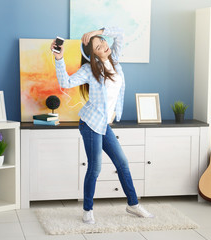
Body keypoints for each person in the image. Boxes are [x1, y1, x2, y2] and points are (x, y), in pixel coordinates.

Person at [51, 27, 153, 224]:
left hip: (104, 124)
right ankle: (87, 209)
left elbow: (121, 34)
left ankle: (133, 204)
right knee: (95, 168)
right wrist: (59, 58)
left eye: (103, 42)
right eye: (98, 46)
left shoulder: (114, 60)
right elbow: (65, 81)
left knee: (122, 163)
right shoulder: (90, 69)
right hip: (90, 124)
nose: (104, 46)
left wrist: (96, 31)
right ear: (93, 53)